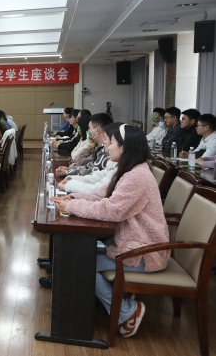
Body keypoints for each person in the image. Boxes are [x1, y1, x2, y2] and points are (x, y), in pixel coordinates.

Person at [52, 125, 169, 337]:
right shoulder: (131, 170)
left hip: (145, 253)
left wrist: (73, 206)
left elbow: (111, 210)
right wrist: (73, 198)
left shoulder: (137, 176)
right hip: (132, 245)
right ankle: (115, 307)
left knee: (80, 262)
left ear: (124, 147)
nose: (107, 147)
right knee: (79, 256)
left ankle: (126, 312)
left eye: (111, 142)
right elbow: (102, 195)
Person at [59, 123, 122, 194]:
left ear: (122, 147)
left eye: (106, 139)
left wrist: (70, 183)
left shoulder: (112, 160)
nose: (107, 144)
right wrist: (71, 179)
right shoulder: (111, 162)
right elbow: (96, 177)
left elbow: (100, 190)